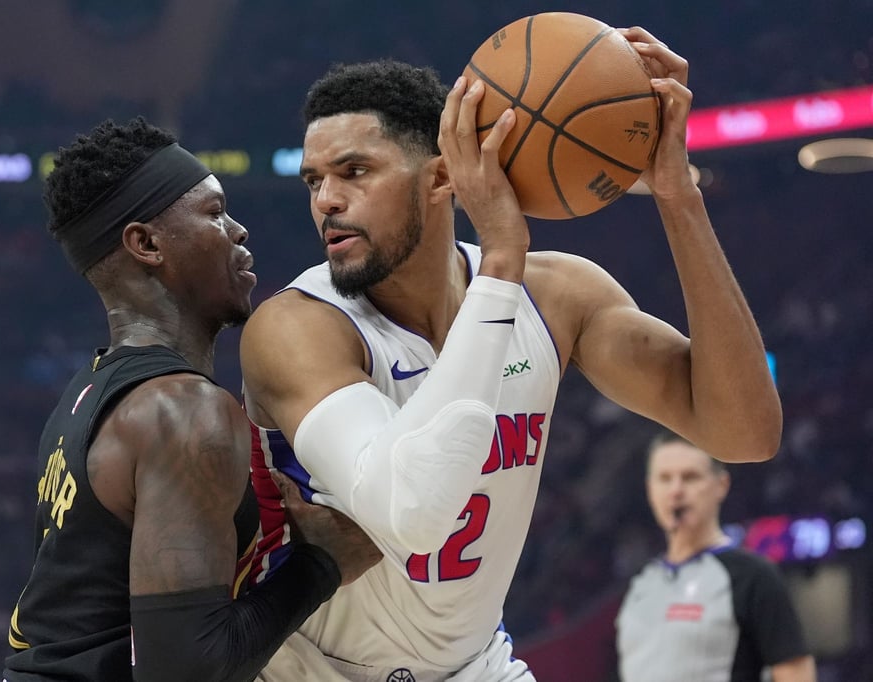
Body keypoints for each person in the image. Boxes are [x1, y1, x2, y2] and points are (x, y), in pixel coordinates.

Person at [240, 24, 783, 682]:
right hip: (310, 671)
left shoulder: (557, 297)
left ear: (444, 176)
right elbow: (409, 514)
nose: (326, 200)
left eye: (355, 172)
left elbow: (745, 432)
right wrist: (501, 258)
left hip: (477, 665)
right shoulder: (299, 327)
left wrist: (677, 195)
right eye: (314, 180)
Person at [2, 116, 380, 682]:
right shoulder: (183, 410)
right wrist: (321, 563)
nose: (239, 230)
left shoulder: (87, 392)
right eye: (214, 213)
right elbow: (186, 671)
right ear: (147, 244)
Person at [616, 431, 817, 681]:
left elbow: (796, 673)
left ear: (721, 485)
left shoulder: (753, 577)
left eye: (690, 477)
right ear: (650, 488)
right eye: (665, 478)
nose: (676, 491)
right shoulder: (641, 581)